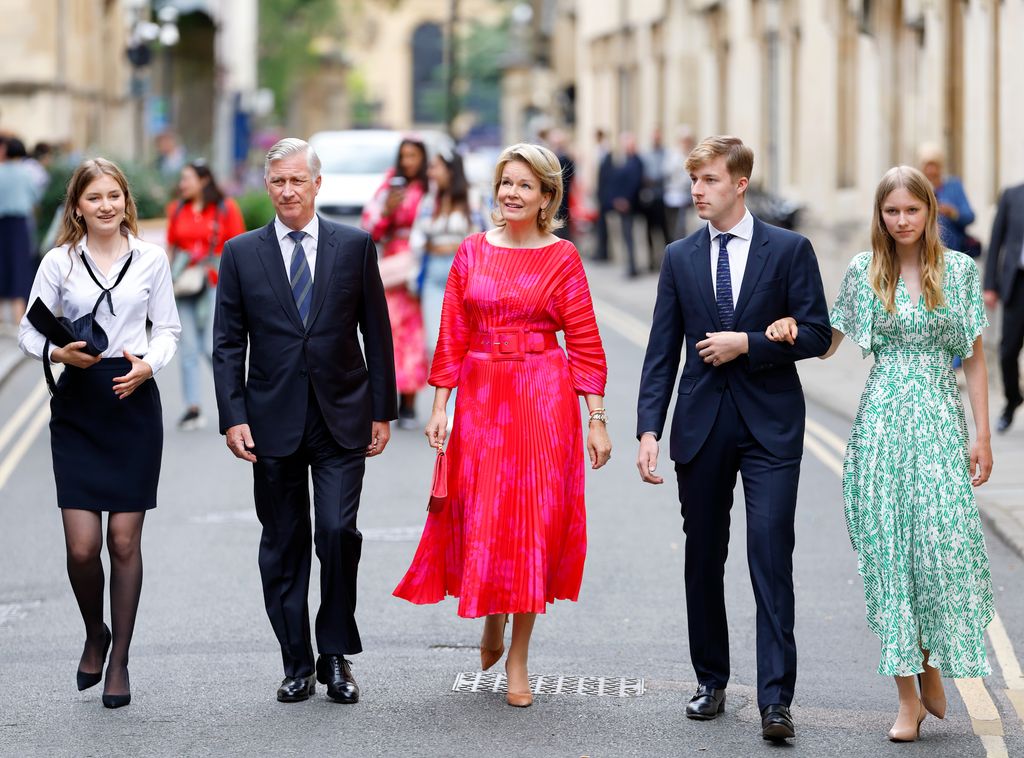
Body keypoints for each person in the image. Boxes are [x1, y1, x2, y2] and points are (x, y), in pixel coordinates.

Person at [766, 165, 994, 743]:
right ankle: (906, 696)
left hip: (940, 424)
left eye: (911, 211)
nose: (901, 221)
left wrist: (983, 435)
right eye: (891, 211)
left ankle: (932, 661)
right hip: (881, 427)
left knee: (938, 552)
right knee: (891, 557)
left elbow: (974, 359)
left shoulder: (960, 272)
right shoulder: (865, 271)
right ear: (880, 215)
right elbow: (828, 341)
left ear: (929, 212)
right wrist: (793, 323)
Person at [394, 143, 611, 709]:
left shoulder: (562, 258)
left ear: (546, 198)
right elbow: (452, 335)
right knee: (486, 511)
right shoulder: (470, 251)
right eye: (505, 183)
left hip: (543, 393)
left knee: (532, 518)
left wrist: (596, 419)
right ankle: (490, 614)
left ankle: (518, 656)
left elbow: (584, 340)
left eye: (524, 186)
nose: (511, 194)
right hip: (483, 395)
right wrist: (440, 406)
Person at [635, 136, 831, 742]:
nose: (698, 191)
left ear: (740, 184)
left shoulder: (790, 250)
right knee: (703, 558)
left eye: (710, 180)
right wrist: (648, 428)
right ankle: (710, 680)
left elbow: (819, 334)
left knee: (770, 556)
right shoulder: (680, 256)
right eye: (694, 181)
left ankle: (776, 700)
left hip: (770, 426)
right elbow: (661, 351)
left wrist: (750, 343)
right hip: (700, 427)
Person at [213, 138, 397, 705]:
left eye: (298, 180)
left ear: (318, 184)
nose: (288, 191)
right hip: (272, 422)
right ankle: (296, 660)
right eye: (278, 182)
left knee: (337, 534)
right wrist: (233, 416)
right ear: (266, 187)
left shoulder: (354, 246)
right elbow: (227, 343)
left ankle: (335, 655)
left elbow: (378, 333)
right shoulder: (241, 253)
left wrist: (382, 410)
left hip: (343, 415)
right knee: (285, 541)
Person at [17, 158, 181, 708]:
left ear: (125, 200)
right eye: (94, 198)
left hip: (132, 398)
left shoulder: (151, 258)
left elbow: (169, 329)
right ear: (78, 206)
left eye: (114, 195)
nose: (106, 205)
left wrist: (148, 366)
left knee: (123, 540)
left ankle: (120, 658)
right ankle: (95, 631)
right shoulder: (59, 263)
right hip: (80, 403)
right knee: (83, 547)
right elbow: (26, 331)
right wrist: (56, 351)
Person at [165, 160, 245, 431]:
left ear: (204, 181)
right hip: (184, 285)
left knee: (214, 348)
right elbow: (172, 246)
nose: (182, 184)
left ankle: (237, 402)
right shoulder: (177, 209)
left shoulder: (225, 208)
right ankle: (193, 408)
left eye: (187, 179)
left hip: (214, 284)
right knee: (187, 348)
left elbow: (238, 247)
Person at [362, 137, 430, 429]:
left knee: (415, 337)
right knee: (388, 335)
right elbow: (370, 226)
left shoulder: (430, 187)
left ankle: (411, 402)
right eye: (404, 155)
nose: (408, 161)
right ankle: (385, 400)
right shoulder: (389, 186)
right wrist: (388, 209)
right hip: (391, 269)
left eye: (414, 155)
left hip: (419, 268)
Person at [409, 148, 482, 356]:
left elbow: (484, 233)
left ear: (450, 170)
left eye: (435, 167)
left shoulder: (473, 197)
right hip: (433, 271)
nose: (430, 173)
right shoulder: (430, 201)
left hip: (465, 274)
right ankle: (444, 387)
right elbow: (417, 236)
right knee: (436, 342)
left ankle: (463, 389)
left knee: (464, 339)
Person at [983, 180, 1024, 432]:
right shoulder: (1011, 196)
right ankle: (1012, 400)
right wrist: (990, 285)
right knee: (1007, 351)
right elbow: (996, 240)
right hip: (1016, 283)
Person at [0, 136, 40, 328]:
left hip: (1, 223)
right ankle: (18, 316)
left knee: (2, 265)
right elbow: (35, 196)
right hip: (19, 224)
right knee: (20, 266)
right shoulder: (26, 173)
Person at [595, 132, 644, 277]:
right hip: (623, 204)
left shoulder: (636, 161)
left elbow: (634, 183)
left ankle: (632, 266)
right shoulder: (626, 161)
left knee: (630, 236)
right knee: (625, 236)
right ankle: (630, 265)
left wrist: (625, 200)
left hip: (630, 204)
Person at [919, 143, 977, 256]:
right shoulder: (918, 188)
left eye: (934, 165)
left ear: (940, 167)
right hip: (923, 252)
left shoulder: (954, 186)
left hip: (953, 250)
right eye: (927, 166)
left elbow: (970, 216)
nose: (931, 171)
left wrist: (952, 212)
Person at [640, 128, 671, 269]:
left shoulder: (666, 154)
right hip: (649, 198)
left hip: (663, 197)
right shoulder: (646, 155)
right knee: (649, 230)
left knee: (665, 230)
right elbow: (644, 174)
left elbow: (665, 173)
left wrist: (656, 179)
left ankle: (666, 260)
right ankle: (652, 260)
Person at [664, 125, 696, 241]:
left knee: (686, 228)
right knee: (675, 228)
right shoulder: (673, 156)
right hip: (674, 196)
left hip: (689, 197)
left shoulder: (693, 155)